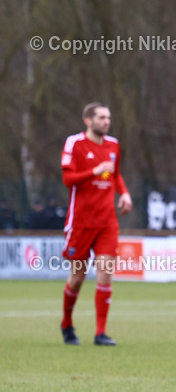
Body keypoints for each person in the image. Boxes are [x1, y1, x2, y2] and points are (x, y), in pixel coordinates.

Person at [59, 103, 133, 346]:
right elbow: (68, 179)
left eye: (108, 117)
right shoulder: (75, 144)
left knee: (105, 275)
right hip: (81, 222)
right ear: (87, 120)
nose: (106, 121)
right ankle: (67, 323)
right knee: (78, 277)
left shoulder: (113, 145)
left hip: (107, 222)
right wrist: (95, 171)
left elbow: (116, 174)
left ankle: (100, 332)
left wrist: (124, 193)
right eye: (101, 117)